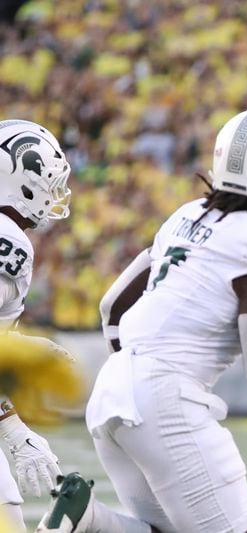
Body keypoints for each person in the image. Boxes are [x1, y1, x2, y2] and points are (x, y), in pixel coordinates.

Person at [37, 108, 247, 533]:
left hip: (113, 389)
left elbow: (112, 307)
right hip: (167, 398)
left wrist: (138, 373)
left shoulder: (187, 216)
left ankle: (88, 520)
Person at [0, 119, 72, 531]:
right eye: (48, 181)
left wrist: (21, 347)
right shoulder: (8, 241)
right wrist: (12, 430)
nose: (54, 194)